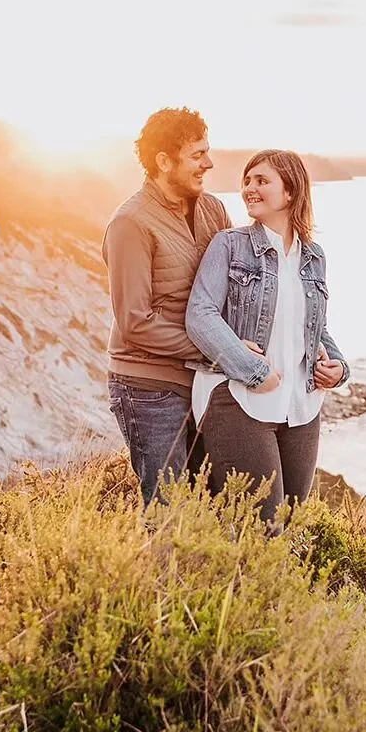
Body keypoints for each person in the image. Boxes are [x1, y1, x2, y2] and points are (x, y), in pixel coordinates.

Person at [185, 149, 349, 528]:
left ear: (290, 192)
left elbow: (318, 327)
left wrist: (338, 368)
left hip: (302, 405)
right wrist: (253, 370)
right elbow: (200, 314)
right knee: (260, 527)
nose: (249, 189)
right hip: (240, 400)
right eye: (247, 181)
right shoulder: (230, 245)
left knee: (289, 522)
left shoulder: (314, 256)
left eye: (262, 181)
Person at [102, 107, 232, 506]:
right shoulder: (131, 224)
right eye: (197, 155)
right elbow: (136, 322)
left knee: (213, 504)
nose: (208, 163)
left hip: (204, 383)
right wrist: (221, 349)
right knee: (168, 512)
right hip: (148, 389)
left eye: (207, 152)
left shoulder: (214, 210)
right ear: (163, 161)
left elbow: (242, 287)